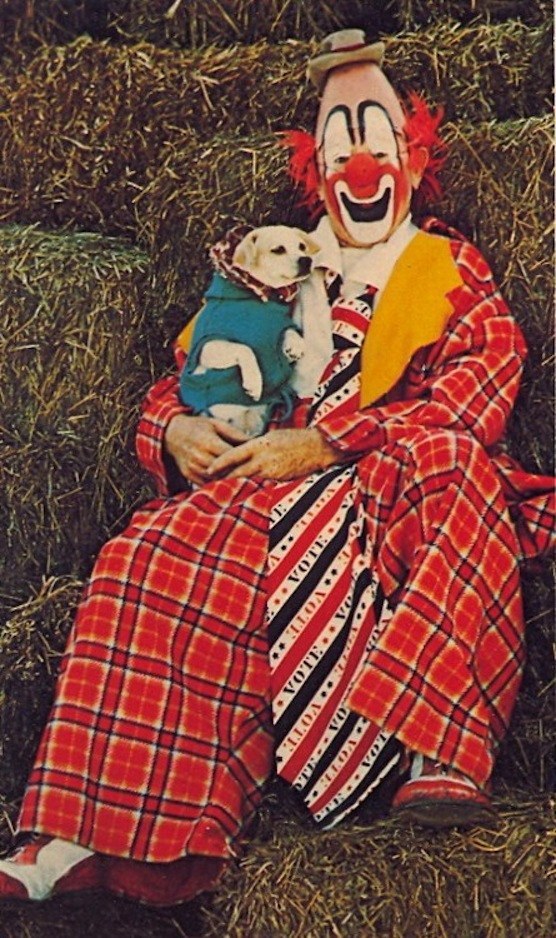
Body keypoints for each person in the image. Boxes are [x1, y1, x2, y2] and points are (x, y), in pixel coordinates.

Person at [0, 29, 553, 906]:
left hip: (384, 475)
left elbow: (476, 392)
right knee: (146, 553)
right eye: (338, 151)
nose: (359, 166)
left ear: (412, 161)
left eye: (378, 146)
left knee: (456, 465)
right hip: (264, 475)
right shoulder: (272, 264)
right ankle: (87, 832)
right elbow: (192, 369)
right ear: (317, 174)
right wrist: (175, 429)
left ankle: (435, 749)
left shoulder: (447, 267)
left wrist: (334, 441)